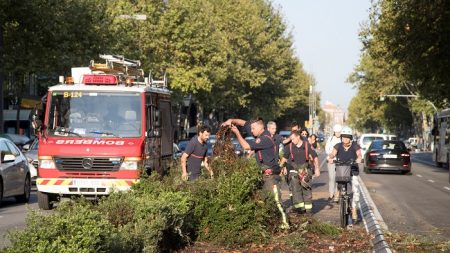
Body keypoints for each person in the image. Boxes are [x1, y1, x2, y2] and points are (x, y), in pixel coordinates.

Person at [222, 118, 290, 229]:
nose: (251, 130)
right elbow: (244, 123)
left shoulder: (265, 139)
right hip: (263, 175)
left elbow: (246, 146)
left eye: (253, 128)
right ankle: (271, 225)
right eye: (251, 128)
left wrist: (237, 133)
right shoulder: (259, 133)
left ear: (259, 127)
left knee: (276, 202)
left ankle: (285, 225)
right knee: (263, 202)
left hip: (271, 176)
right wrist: (231, 120)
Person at [327, 126, 362, 224]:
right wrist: (330, 157)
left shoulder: (355, 146)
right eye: (343, 137)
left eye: (347, 137)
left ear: (350, 138)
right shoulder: (338, 145)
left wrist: (359, 158)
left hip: (352, 171)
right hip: (341, 170)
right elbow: (332, 154)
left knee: (356, 191)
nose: (344, 139)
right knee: (339, 181)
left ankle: (354, 209)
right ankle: (338, 191)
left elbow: (359, 155)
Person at [280, 131, 320, 214]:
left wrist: (317, 169)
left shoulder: (307, 145)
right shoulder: (289, 147)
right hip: (294, 170)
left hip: (305, 170)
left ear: (298, 137)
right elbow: (284, 158)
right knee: (296, 189)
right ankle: (300, 209)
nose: (292, 141)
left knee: (306, 189)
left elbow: (315, 157)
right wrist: (281, 167)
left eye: (293, 139)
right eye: (291, 139)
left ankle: (308, 211)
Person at [325, 124, 342, 203]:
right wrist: (330, 157)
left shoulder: (342, 139)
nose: (337, 133)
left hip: (339, 161)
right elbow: (327, 149)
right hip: (331, 161)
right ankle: (331, 194)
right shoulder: (330, 139)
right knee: (332, 178)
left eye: (339, 132)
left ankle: (337, 195)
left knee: (338, 179)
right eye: (336, 132)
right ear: (334, 132)